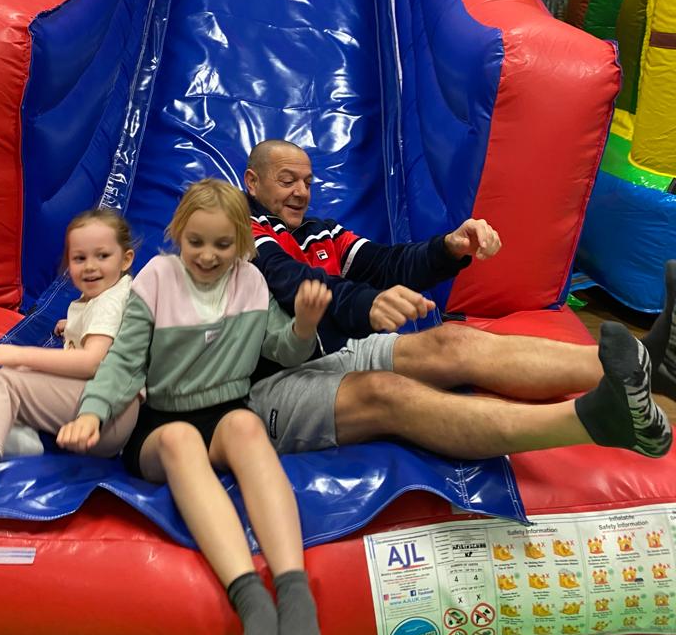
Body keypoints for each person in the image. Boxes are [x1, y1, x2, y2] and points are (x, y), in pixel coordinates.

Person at [243, 139, 674, 462]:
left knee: (453, 341)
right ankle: (599, 422)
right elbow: (290, 281)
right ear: (252, 182)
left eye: (307, 182)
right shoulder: (238, 230)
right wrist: (365, 304)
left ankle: (652, 364)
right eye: (287, 181)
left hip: (331, 350)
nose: (301, 192)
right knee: (385, 393)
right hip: (269, 380)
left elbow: (385, 263)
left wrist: (449, 248)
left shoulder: (318, 231)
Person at [58, 179, 328, 635]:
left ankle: (296, 601)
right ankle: (251, 601)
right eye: (196, 242)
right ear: (178, 235)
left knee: (247, 425)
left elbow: (283, 350)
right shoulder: (157, 278)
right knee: (181, 439)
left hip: (226, 411)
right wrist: (93, 412)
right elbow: (123, 363)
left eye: (222, 245)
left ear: (241, 244)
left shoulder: (250, 281)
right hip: (161, 422)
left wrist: (303, 326)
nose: (207, 255)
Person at [0, 208, 139, 517]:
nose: (90, 266)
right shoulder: (110, 295)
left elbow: (93, 361)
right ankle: (25, 444)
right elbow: (102, 334)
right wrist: (71, 327)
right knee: (11, 384)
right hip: (111, 413)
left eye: (102, 256)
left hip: (106, 415)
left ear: (125, 259)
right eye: (79, 258)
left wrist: (18, 354)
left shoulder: (109, 302)